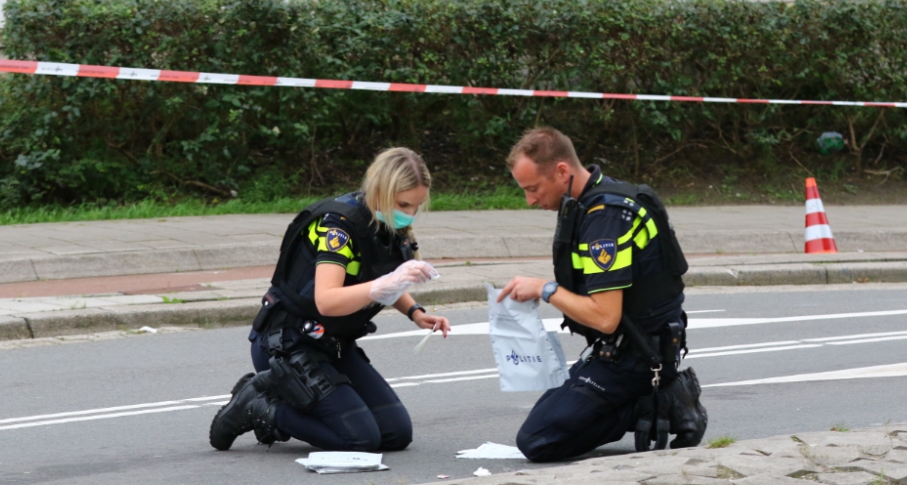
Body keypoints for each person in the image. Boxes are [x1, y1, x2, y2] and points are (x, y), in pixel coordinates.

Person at [209, 147, 450, 453]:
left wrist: (415, 312)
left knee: (395, 433)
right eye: (404, 204)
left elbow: (379, 278)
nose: (409, 214)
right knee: (360, 439)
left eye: (416, 207)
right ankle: (262, 406)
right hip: (289, 341)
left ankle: (296, 404)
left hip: (332, 343)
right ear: (379, 191)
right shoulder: (338, 228)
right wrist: (386, 283)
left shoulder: (387, 225)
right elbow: (327, 300)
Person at [497, 127, 707, 462]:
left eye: (533, 188)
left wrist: (545, 289)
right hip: (623, 350)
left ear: (562, 171)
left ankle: (662, 400)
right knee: (550, 413)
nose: (530, 199)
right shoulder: (597, 199)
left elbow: (605, 318)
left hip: (637, 358)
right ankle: (650, 397)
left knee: (537, 440)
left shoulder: (605, 218)